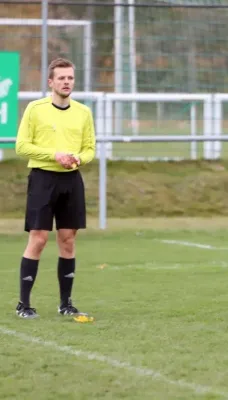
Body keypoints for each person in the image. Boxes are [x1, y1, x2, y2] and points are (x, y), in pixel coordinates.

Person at [14, 57, 96, 319]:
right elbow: (22, 146)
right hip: (42, 179)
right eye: (61, 78)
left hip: (71, 180)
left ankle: (65, 303)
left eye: (70, 77)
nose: (66, 82)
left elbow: (90, 148)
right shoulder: (35, 109)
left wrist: (78, 159)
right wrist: (54, 155)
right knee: (38, 239)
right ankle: (24, 305)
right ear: (51, 82)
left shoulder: (83, 112)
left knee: (68, 240)